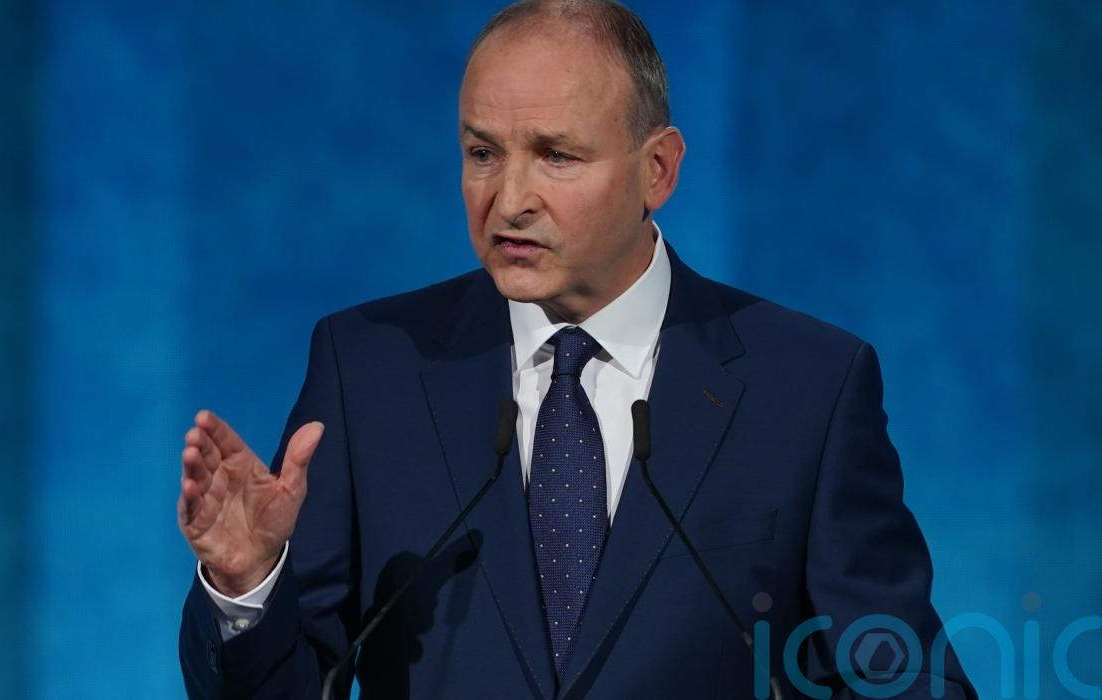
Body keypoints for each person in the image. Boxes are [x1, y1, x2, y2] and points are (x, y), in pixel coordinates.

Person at [177, 1, 977, 698]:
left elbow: (901, 676)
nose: (509, 200)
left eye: (556, 156)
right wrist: (248, 585)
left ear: (657, 170)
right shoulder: (368, 371)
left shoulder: (808, 388)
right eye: (483, 153)